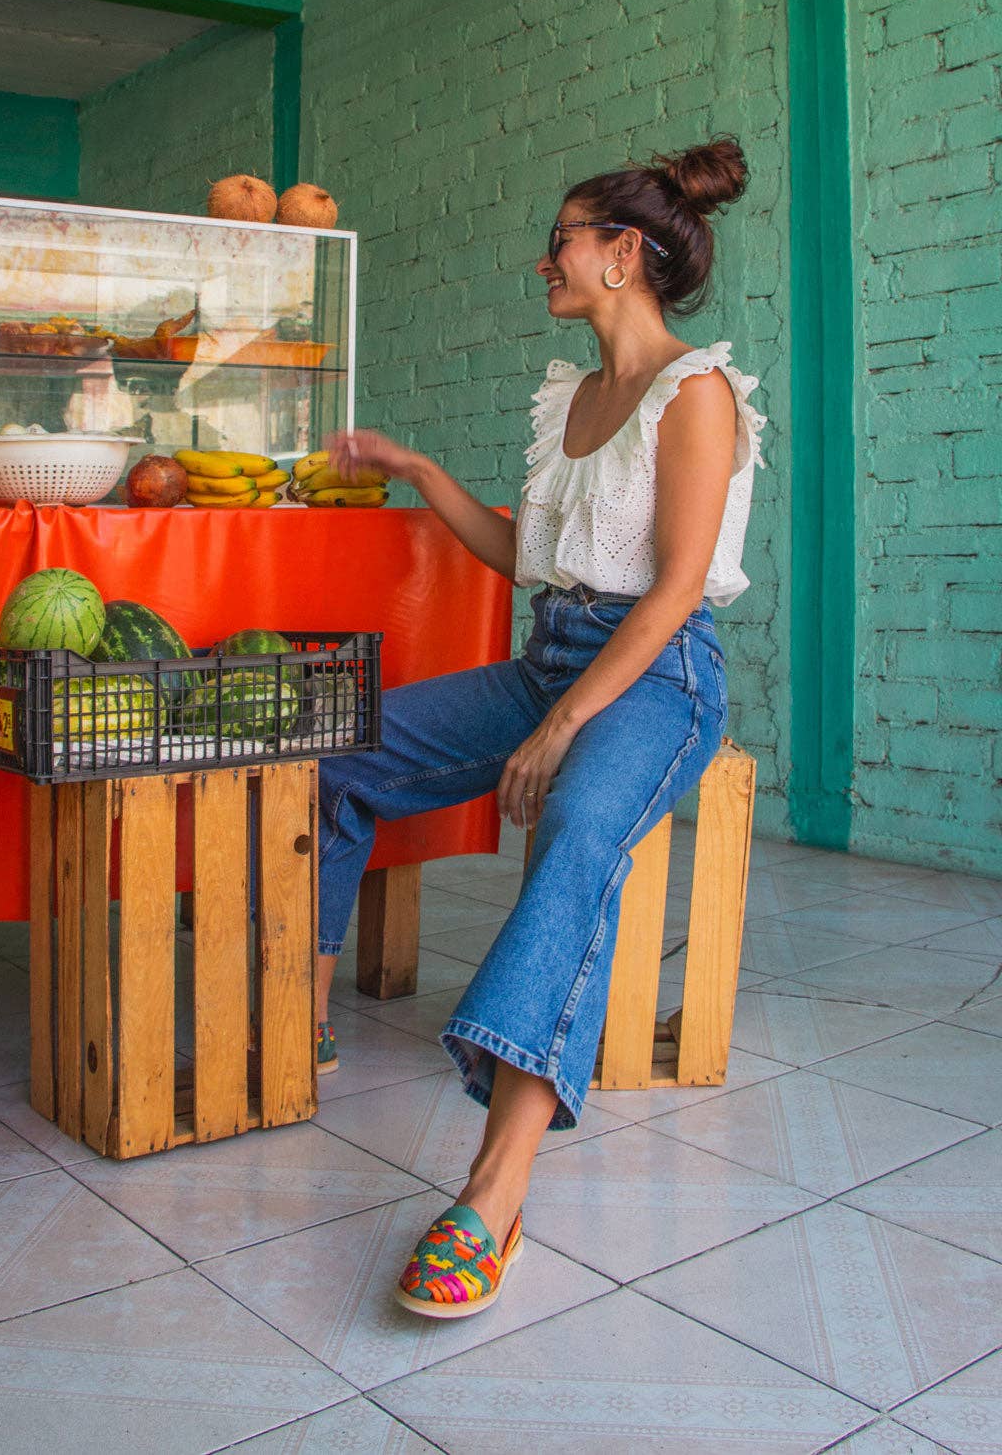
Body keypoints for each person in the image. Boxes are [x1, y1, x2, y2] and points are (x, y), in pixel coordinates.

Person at [316, 135, 766, 1318]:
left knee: (573, 831)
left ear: (624, 254)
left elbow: (670, 588)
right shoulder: (572, 395)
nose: (543, 261)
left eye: (561, 238)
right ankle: (297, 1011)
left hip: (659, 677)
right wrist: (418, 468)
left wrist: (563, 724)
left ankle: (493, 1193)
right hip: (554, 655)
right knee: (341, 756)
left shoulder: (697, 392)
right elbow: (534, 555)